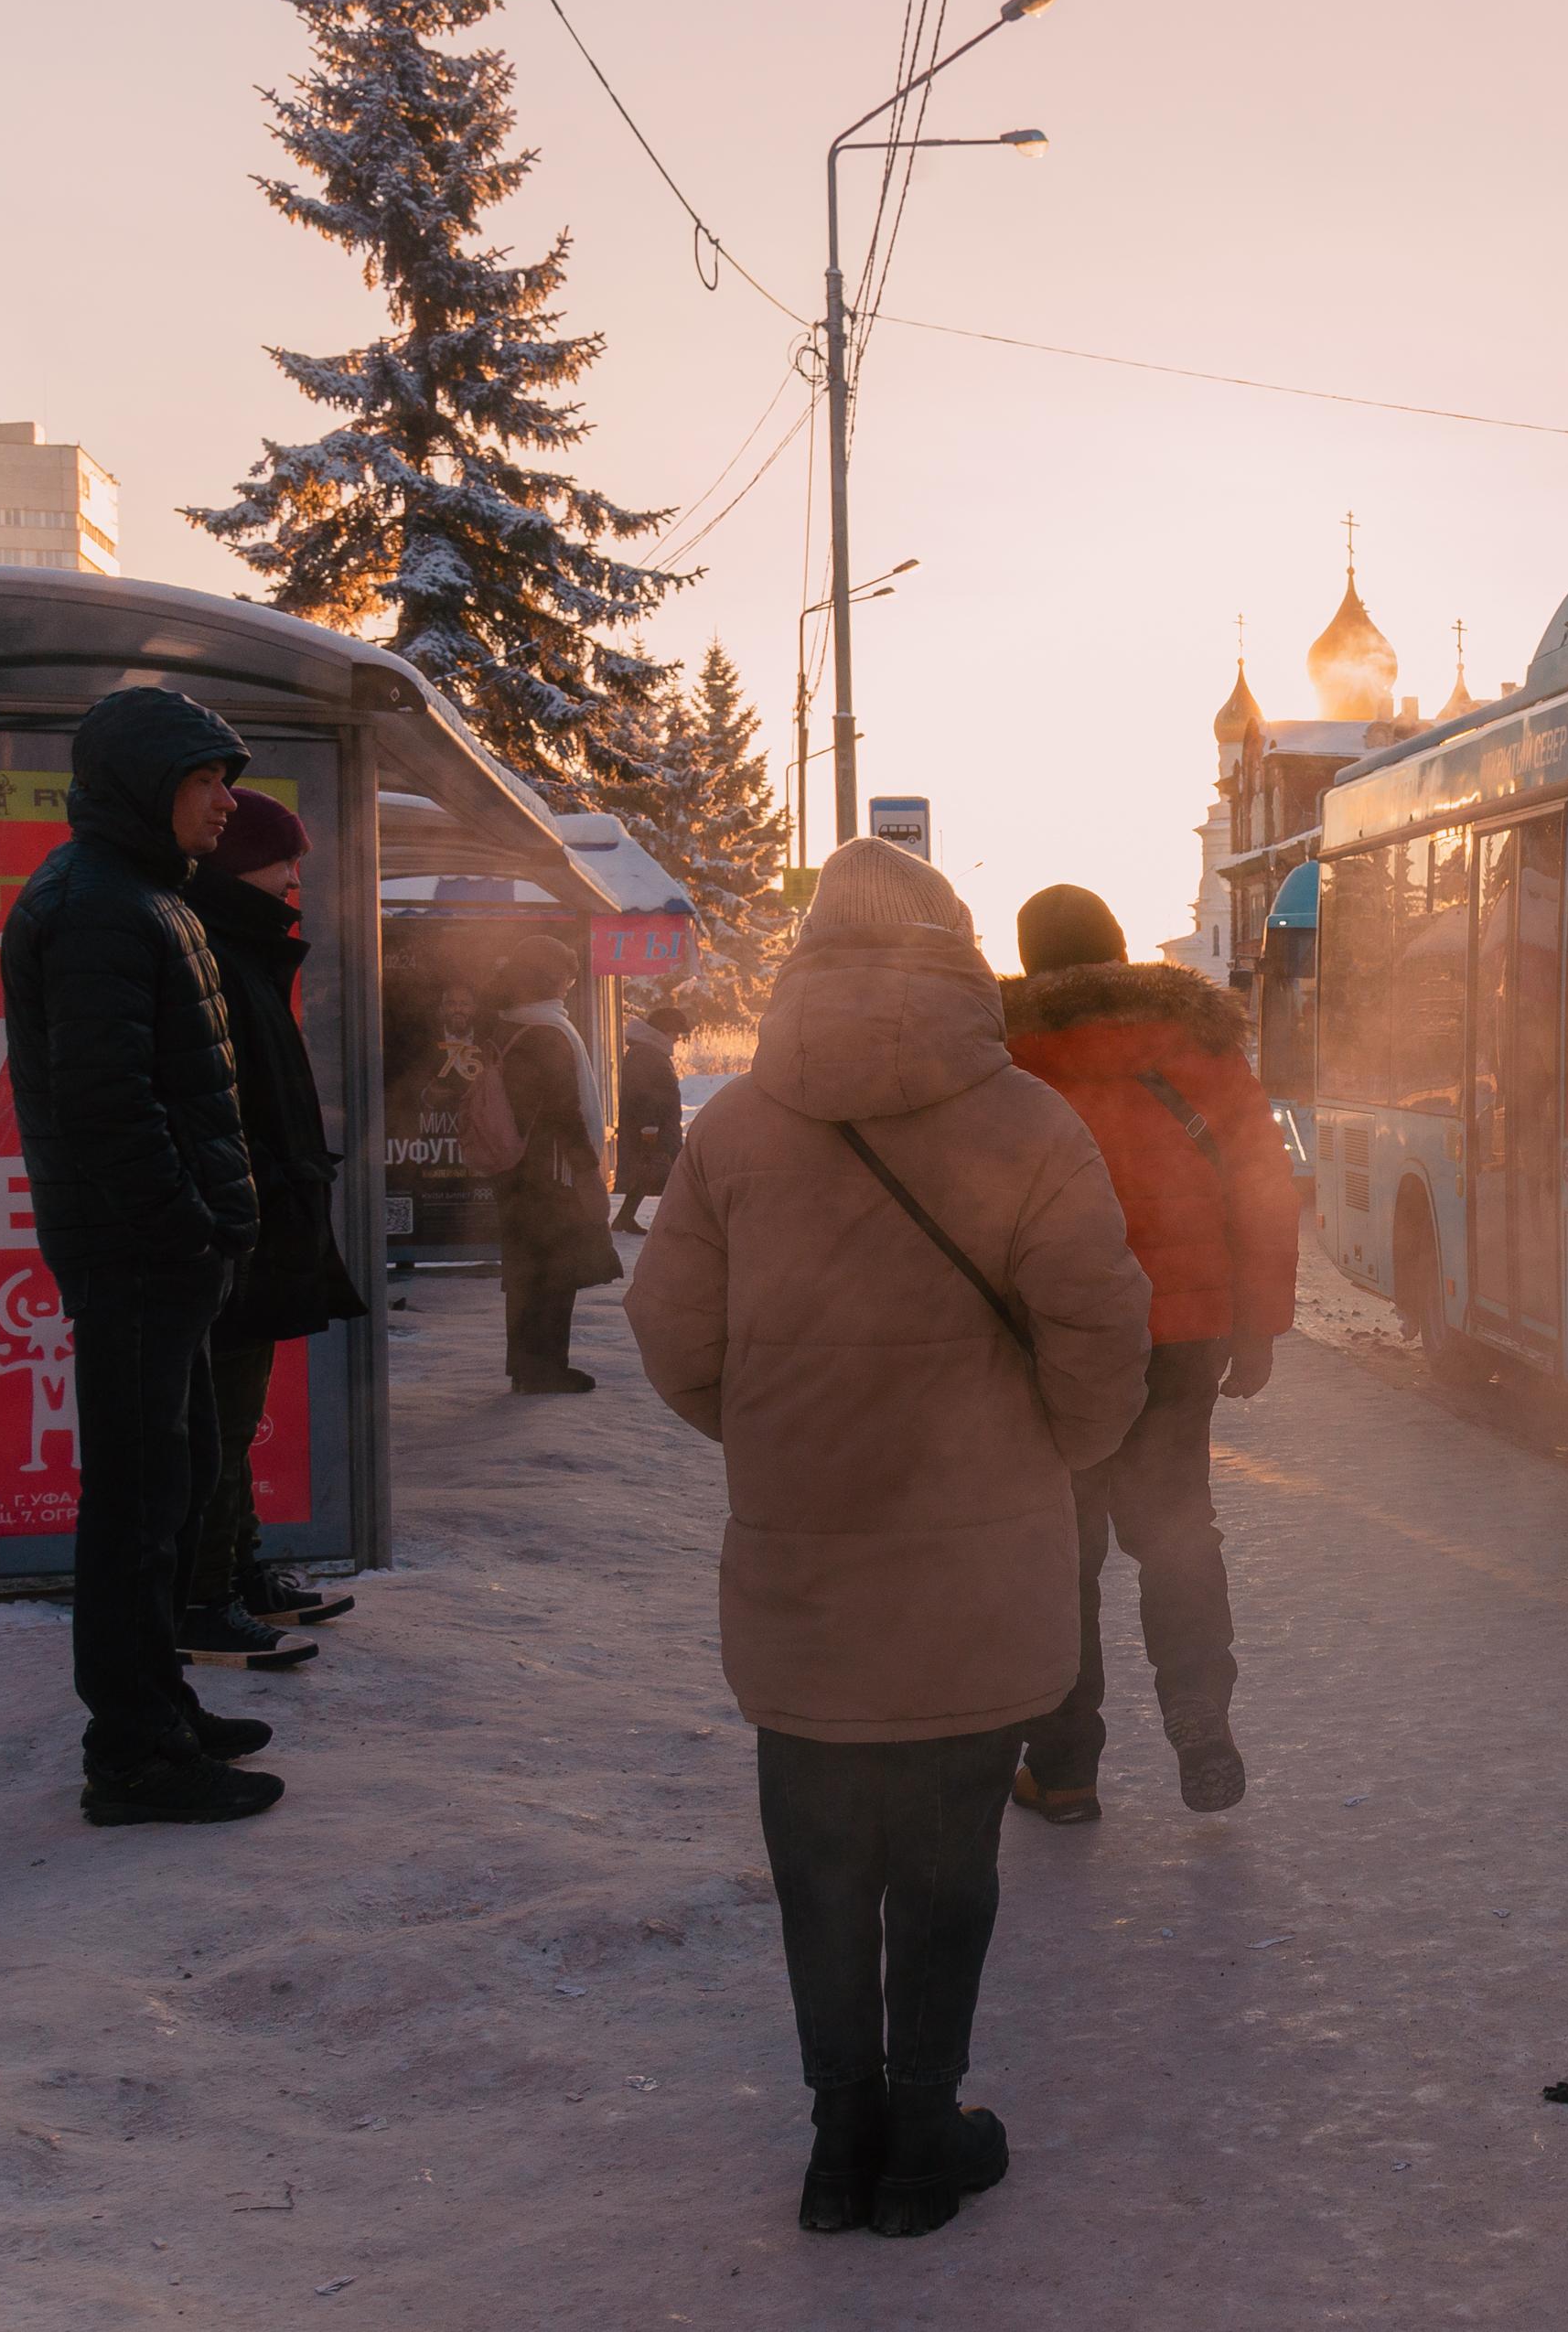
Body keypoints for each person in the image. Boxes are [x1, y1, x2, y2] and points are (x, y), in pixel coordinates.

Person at [626, 837, 1151, 2238]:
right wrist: (1058, 1449)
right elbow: (1105, 1333)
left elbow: (668, 1335)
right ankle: (924, 2131)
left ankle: (834, 2134)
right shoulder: (1029, 1125)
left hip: (803, 1569)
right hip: (980, 1577)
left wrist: (775, 1439)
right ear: (952, 947)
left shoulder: (735, 1129)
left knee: (818, 1858)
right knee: (946, 1857)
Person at [0, 687, 280, 1826]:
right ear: (147, 785)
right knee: (134, 1505)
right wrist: (187, 1231)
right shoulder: (103, 906)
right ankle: (134, 1755)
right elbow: (110, 1106)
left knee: (173, 1486)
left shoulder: (138, 895)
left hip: (160, 1263)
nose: (229, 801)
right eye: (210, 779)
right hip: (137, 1263)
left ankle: (160, 1704)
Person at [1001, 882, 1299, 1822]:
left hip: (1051, 1339)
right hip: (1185, 1328)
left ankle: (1064, 1768)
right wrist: (1257, 1325)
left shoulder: (1005, 1056)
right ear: (1122, 947)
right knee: (1176, 1528)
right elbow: (1260, 1186)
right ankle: (1198, 1709)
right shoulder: (1201, 1044)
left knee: (1060, 1550)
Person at [178, 787, 371, 1660]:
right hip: (231, 1225)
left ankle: (240, 1571)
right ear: (233, 862)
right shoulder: (210, 949)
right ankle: (203, 1598)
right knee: (216, 1417)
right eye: (281, 856)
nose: (297, 874)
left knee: (234, 1411)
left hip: (258, 1211)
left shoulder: (240, 947)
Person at [489, 937, 624, 1392]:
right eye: (566, 974)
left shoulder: (513, 1025)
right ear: (548, 977)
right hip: (550, 1174)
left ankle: (527, 1366)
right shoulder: (548, 1032)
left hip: (520, 1175)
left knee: (528, 1272)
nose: (570, 983)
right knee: (553, 1272)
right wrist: (587, 1170)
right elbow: (564, 1113)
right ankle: (544, 1368)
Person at [611, 995, 691, 1235]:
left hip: (656, 1127)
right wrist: (650, 1130)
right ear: (665, 1030)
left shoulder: (648, 1052)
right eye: (676, 1032)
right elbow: (644, 1095)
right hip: (653, 1129)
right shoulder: (647, 1054)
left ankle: (624, 1219)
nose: (678, 1038)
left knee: (648, 1175)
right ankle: (678, 1224)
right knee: (673, 1176)